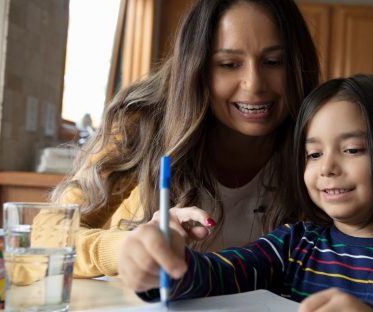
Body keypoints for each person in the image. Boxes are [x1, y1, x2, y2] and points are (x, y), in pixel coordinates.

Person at [118, 75, 373, 311]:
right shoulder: (295, 244)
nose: (327, 167)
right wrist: (163, 265)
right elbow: (219, 274)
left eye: (351, 150)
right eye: (313, 154)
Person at [48, 0, 319, 278]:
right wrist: (128, 246)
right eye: (229, 64)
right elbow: (51, 233)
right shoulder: (143, 123)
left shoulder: (321, 140)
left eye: (274, 62)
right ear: (196, 68)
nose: (254, 83)